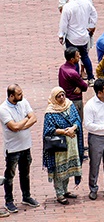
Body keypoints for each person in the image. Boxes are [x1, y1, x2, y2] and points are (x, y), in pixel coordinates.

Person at [42, 88, 84, 205]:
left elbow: (77, 119)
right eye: (58, 96)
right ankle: (59, 193)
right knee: (59, 170)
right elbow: (48, 130)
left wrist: (73, 128)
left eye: (63, 95)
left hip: (71, 143)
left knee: (68, 168)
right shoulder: (50, 112)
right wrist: (64, 132)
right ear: (54, 98)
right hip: (59, 147)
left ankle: (65, 190)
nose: (61, 98)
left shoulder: (70, 105)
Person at [1, 85, 39, 213]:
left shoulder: (24, 102)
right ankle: (9, 201)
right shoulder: (3, 109)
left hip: (26, 146)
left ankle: (26, 196)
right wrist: (25, 120)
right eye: (19, 94)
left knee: (25, 173)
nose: (21, 95)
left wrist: (21, 125)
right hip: (12, 149)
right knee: (10, 175)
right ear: (11, 96)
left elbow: (33, 118)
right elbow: (14, 126)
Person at [58, 0, 97, 81]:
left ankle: (76, 78)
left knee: (73, 59)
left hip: (71, 37)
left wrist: (61, 35)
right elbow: (94, 15)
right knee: (84, 56)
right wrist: (91, 26)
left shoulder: (67, 6)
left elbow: (63, 22)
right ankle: (91, 78)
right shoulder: (87, 3)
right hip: (84, 36)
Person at [58, 48, 88, 123]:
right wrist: (81, 88)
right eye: (77, 56)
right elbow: (84, 86)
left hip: (66, 100)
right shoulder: (73, 73)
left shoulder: (62, 68)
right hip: (75, 101)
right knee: (77, 124)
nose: (80, 57)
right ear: (72, 59)